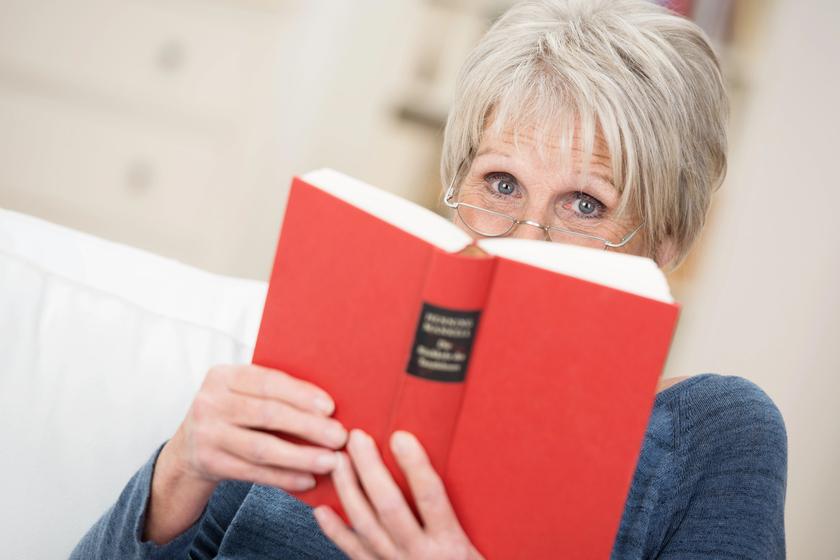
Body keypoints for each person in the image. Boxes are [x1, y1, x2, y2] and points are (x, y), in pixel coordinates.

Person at [72, 0, 787, 558]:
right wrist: (179, 472)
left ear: (663, 247)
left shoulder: (711, 435)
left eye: (584, 204)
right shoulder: (337, 365)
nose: (526, 236)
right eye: (501, 184)